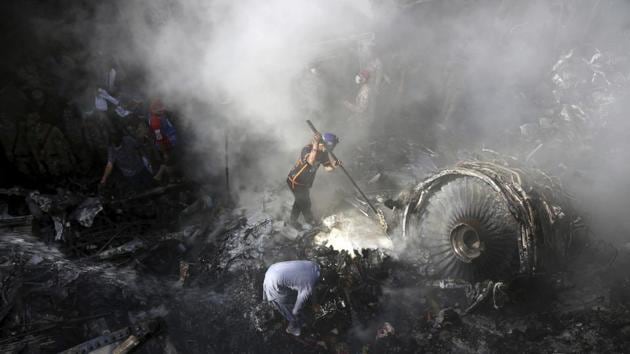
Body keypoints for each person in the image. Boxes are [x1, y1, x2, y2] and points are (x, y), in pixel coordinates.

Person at [286, 132, 341, 228]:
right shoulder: (307, 149)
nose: (331, 149)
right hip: (295, 181)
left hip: (305, 183)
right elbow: (310, 161)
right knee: (305, 203)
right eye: (331, 146)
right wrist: (315, 144)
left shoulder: (324, 153)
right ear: (324, 144)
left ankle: (292, 221)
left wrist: (334, 166)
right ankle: (310, 222)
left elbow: (327, 168)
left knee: (299, 202)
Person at [263, 260, 321, 336]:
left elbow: (311, 286)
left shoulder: (313, 265)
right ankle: (292, 328)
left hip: (271, 269)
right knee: (289, 306)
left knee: (289, 293)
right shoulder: (308, 285)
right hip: (274, 284)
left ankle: (266, 301)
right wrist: (299, 312)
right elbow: (296, 309)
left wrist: (315, 303)